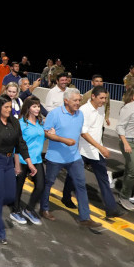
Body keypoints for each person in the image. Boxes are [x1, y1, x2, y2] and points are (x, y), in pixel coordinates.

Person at [39, 88, 102, 229]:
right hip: (55, 157)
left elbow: (78, 133)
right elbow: (45, 133)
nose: (78, 103)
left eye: (79, 100)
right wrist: (62, 139)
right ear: (66, 100)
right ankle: (44, 209)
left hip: (74, 157)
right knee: (48, 183)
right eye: (75, 100)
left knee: (81, 185)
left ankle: (85, 218)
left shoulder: (80, 115)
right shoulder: (54, 114)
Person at [62, 86, 125, 218]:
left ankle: (111, 209)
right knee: (73, 176)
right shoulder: (84, 110)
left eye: (105, 98)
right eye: (101, 98)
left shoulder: (101, 109)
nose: (104, 100)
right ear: (93, 97)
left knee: (103, 180)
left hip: (96, 151)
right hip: (82, 150)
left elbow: (97, 131)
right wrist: (100, 147)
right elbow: (84, 133)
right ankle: (66, 197)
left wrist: (100, 147)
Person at [0, 95, 34, 243]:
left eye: (10, 107)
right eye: (6, 107)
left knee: (10, 197)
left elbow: (20, 143)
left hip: (9, 162)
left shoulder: (14, 122)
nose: (9, 110)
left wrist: (28, 163)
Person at [14, 96, 46, 225]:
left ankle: (29, 209)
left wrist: (49, 134)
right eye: (34, 106)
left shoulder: (40, 123)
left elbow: (39, 140)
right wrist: (16, 163)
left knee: (40, 186)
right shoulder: (21, 123)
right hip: (22, 159)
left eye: (38, 106)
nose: (37, 109)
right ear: (28, 108)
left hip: (37, 160)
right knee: (18, 188)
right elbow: (17, 144)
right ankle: (15, 211)